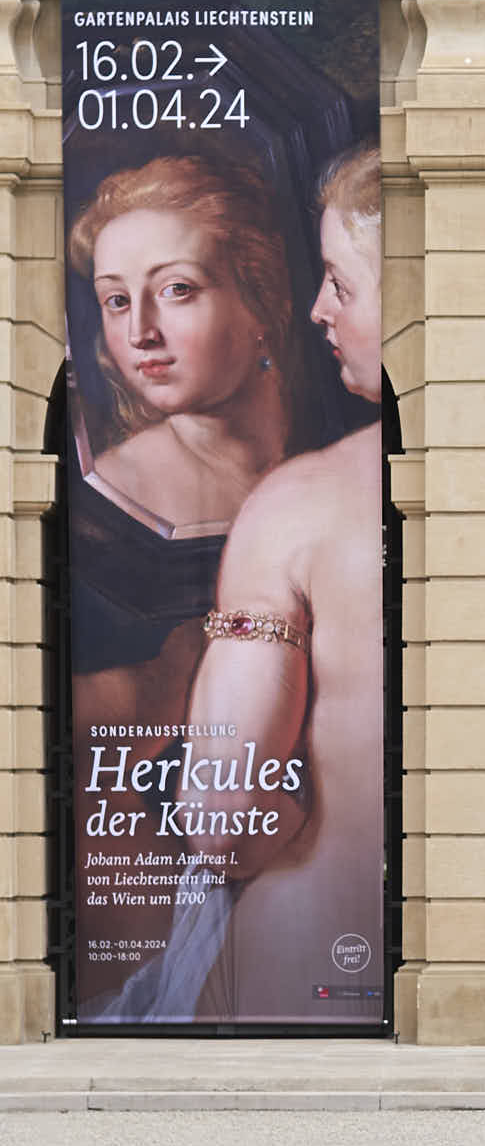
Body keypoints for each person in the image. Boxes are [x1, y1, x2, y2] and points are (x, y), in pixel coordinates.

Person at [94, 144, 386, 1021]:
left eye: (343, 282)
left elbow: (221, 819)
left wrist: (301, 809)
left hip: (303, 983)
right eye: (115, 300)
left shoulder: (298, 505)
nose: (318, 307)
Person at [65, 154, 309, 1013]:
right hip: (157, 926)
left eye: (175, 290)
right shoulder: (105, 514)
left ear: (260, 299)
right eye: (116, 299)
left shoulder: (327, 460)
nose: (140, 334)